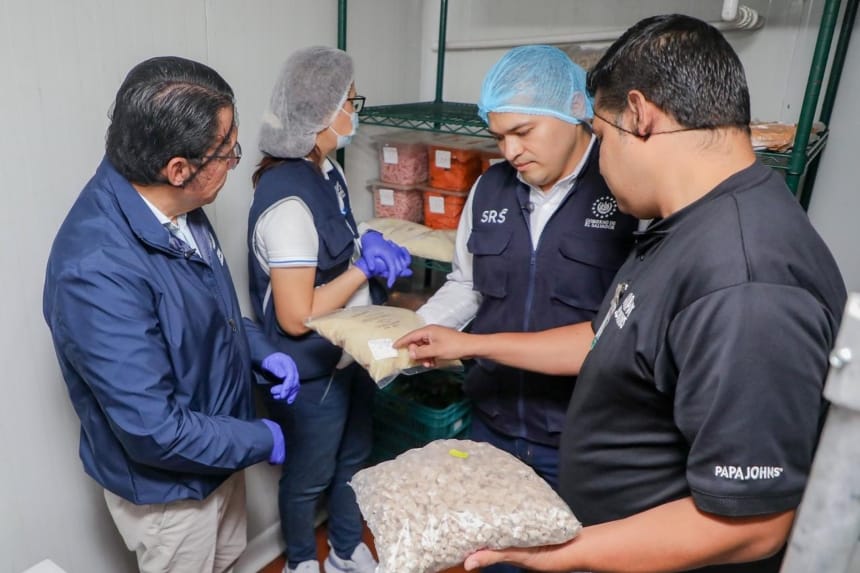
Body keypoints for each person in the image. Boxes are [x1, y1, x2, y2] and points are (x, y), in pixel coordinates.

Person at [397, 14, 848, 573]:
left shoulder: (748, 281)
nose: (601, 158)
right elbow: (603, 338)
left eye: (603, 135)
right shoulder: (688, 227)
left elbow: (753, 523)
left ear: (639, 116)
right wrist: (470, 345)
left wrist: (562, 555)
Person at [42, 56, 301, 573]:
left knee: (229, 561)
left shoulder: (174, 204)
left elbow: (203, 314)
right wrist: (260, 438)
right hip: (173, 496)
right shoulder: (95, 270)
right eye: (228, 152)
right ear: (178, 169)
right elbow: (154, 430)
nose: (234, 162)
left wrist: (259, 350)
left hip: (218, 452)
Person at [416, 42, 635, 510]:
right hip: (492, 421)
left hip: (581, 435)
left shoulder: (625, 187)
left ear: (574, 109)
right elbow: (467, 283)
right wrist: (420, 328)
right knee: (491, 539)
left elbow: (631, 327)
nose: (511, 151)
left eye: (523, 131)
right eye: (499, 137)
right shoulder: (489, 188)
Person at [247, 46, 411, 573]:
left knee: (354, 459)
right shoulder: (288, 201)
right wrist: (364, 268)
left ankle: (343, 549)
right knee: (308, 477)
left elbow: (339, 235)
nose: (354, 111)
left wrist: (370, 239)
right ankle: (300, 561)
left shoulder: (326, 170)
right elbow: (297, 316)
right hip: (311, 368)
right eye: (350, 102)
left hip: (348, 352)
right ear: (320, 113)